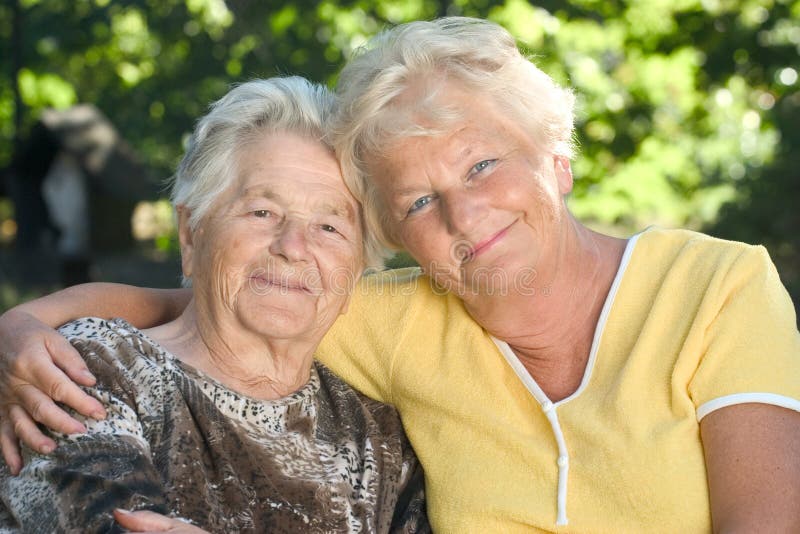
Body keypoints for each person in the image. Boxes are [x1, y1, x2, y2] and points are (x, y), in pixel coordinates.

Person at [1, 16, 799, 533]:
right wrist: (24, 325)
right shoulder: (387, 318)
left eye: (483, 163)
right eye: (419, 200)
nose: (463, 215)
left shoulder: (716, 289)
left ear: (555, 158)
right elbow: (217, 295)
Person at [0, 76, 427, 533]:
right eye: (262, 212)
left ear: (359, 268)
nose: (293, 247)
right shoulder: (85, 370)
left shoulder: (378, 437)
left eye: (329, 227)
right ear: (191, 233)